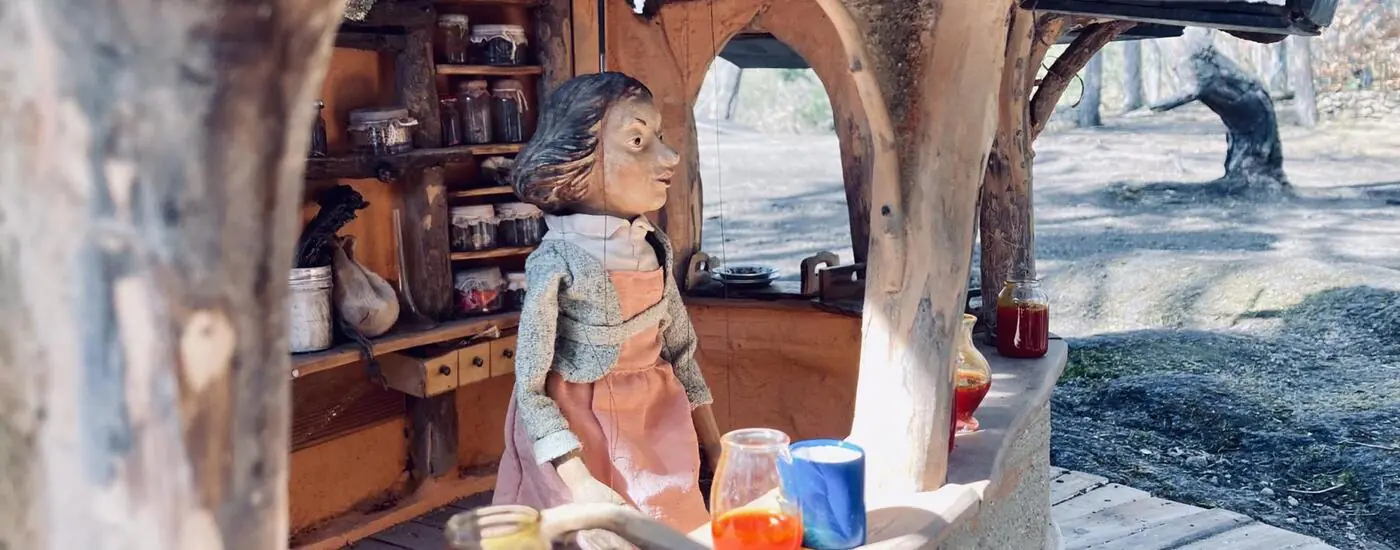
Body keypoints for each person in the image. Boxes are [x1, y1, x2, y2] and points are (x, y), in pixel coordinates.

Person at [493, 72, 720, 534]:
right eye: (637, 141)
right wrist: (580, 482)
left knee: (669, 527)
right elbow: (531, 388)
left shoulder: (654, 245)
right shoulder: (556, 262)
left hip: (655, 423)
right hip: (577, 436)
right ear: (578, 159)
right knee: (589, 534)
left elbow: (681, 352)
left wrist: (715, 445)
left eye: (659, 137)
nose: (669, 156)